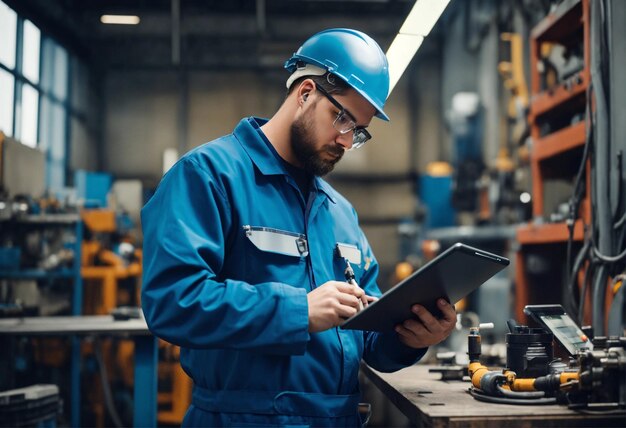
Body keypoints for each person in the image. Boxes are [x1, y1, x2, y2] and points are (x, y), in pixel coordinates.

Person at [141, 28, 456, 427]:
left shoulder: (340, 210)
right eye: (341, 117)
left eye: (357, 131)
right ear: (306, 92)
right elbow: (171, 301)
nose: (345, 140)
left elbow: (367, 336)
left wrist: (411, 336)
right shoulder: (208, 176)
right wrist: (297, 310)